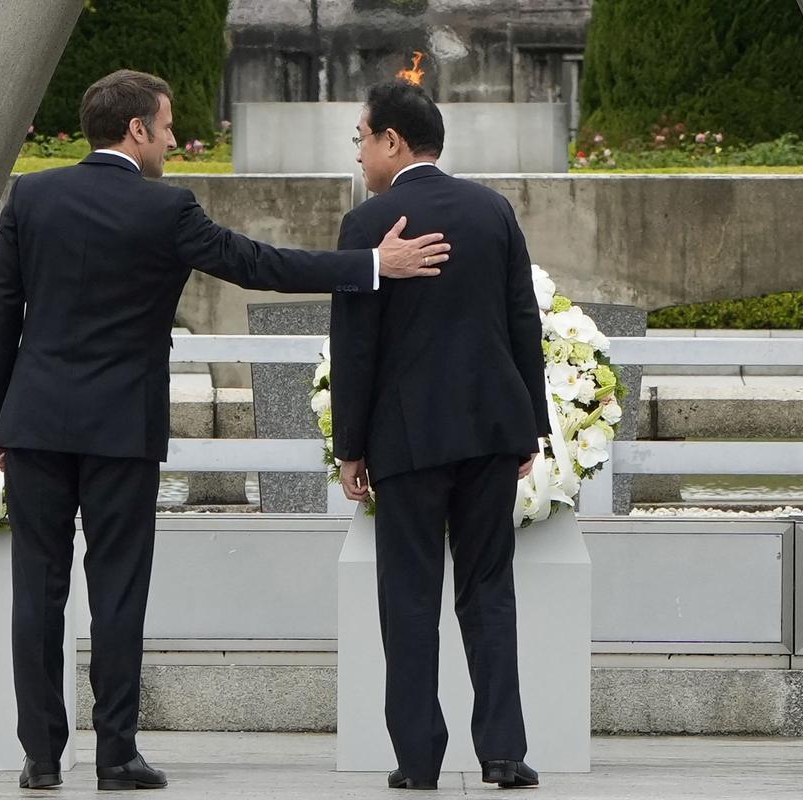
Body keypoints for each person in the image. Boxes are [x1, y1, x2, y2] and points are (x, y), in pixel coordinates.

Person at [0, 69, 452, 791]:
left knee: (35, 591)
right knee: (117, 593)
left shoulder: (33, 195)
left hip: (36, 419)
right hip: (121, 429)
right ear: (136, 129)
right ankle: (115, 756)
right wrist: (371, 265)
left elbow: (3, 307)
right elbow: (257, 265)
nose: (172, 139)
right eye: (166, 126)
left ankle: (41, 758)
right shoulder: (165, 209)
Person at [329, 80, 550, 791]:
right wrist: (530, 431)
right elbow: (523, 322)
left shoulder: (370, 224)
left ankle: (418, 761)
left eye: (361, 139)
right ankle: (505, 754)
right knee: (490, 590)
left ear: (393, 140)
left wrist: (350, 447)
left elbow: (356, 347)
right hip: (491, 431)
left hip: (407, 441)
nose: (359, 155)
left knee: (411, 598)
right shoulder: (494, 210)